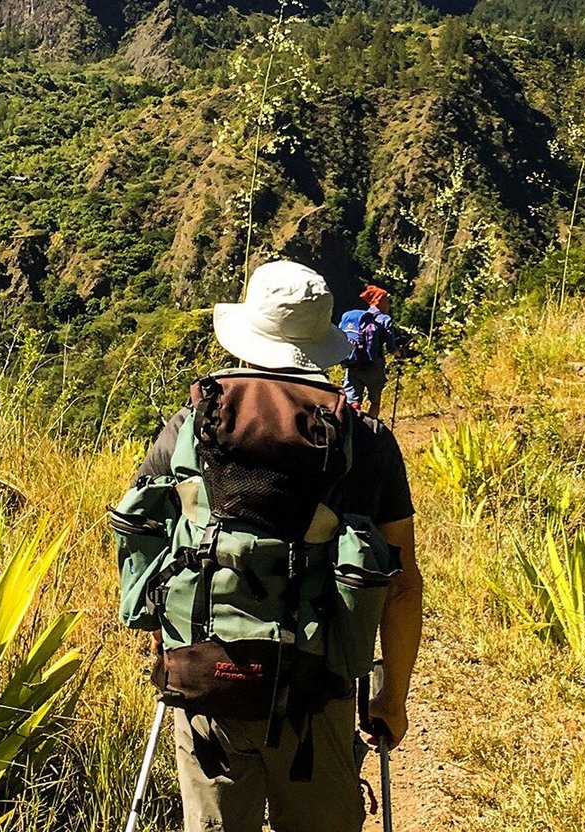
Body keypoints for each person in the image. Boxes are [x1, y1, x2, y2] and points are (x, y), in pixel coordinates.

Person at [128, 261, 422, 832]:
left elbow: (148, 540)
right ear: (320, 343)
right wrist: (393, 700)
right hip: (319, 690)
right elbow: (402, 586)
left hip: (205, 679)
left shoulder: (190, 426)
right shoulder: (366, 441)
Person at [340, 285, 398, 419]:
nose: (389, 305)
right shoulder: (384, 320)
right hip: (373, 367)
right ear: (380, 301)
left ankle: (353, 428)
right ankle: (370, 430)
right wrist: (400, 354)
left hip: (353, 365)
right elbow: (391, 348)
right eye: (387, 301)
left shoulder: (359, 319)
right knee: (375, 401)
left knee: (352, 401)